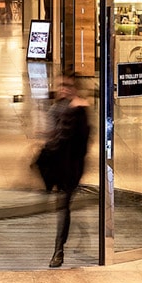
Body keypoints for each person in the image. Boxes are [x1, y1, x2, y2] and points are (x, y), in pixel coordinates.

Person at [34, 77, 92, 268]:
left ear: (75, 89)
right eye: (60, 86)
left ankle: (59, 249)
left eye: (67, 86)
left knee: (63, 206)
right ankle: (63, 244)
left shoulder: (79, 111)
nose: (63, 90)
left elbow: (82, 140)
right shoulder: (57, 108)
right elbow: (52, 133)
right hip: (58, 163)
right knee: (63, 205)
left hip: (71, 166)